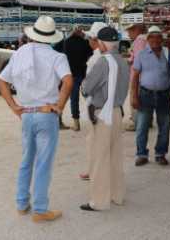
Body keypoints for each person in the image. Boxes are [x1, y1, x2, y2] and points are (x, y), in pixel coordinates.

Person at [0, 16, 73, 223]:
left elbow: (1, 80)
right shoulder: (57, 57)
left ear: (34, 34)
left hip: (26, 114)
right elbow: (68, 80)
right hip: (46, 113)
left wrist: (14, 107)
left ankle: (22, 203)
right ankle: (40, 209)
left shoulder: (20, 53)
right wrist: (60, 106)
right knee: (43, 163)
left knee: (26, 160)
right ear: (51, 37)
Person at [80, 26, 129, 211]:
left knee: (100, 158)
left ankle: (99, 201)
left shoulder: (102, 62)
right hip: (117, 111)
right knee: (115, 156)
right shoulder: (123, 61)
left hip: (103, 114)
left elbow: (87, 88)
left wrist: (84, 88)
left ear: (102, 43)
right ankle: (117, 195)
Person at [131, 25, 170, 166]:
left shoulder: (168, 53)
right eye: (152, 37)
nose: (155, 40)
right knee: (142, 126)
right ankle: (141, 154)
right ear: (147, 39)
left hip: (165, 95)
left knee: (164, 127)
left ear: (162, 39)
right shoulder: (141, 55)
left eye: (158, 37)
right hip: (145, 94)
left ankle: (160, 154)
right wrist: (133, 96)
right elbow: (135, 76)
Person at [79, 21, 108, 181]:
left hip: (95, 105)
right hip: (109, 104)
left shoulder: (96, 59)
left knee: (94, 140)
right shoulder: (111, 56)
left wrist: (84, 89)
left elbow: (89, 86)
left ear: (95, 40)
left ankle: (94, 171)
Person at [54, 26, 93, 131]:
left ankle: (72, 123)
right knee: (89, 98)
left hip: (68, 74)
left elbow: (54, 50)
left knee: (70, 99)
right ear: (80, 32)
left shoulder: (65, 42)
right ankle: (93, 119)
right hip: (82, 74)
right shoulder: (85, 43)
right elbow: (91, 52)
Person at [125, 23, 147, 132]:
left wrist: (128, 60)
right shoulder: (145, 39)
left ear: (136, 30)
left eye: (129, 31)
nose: (128, 34)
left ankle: (136, 122)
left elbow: (138, 59)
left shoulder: (139, 40)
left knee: (135, 98)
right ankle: (146, 121)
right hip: (144, 76)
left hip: (137, 76)